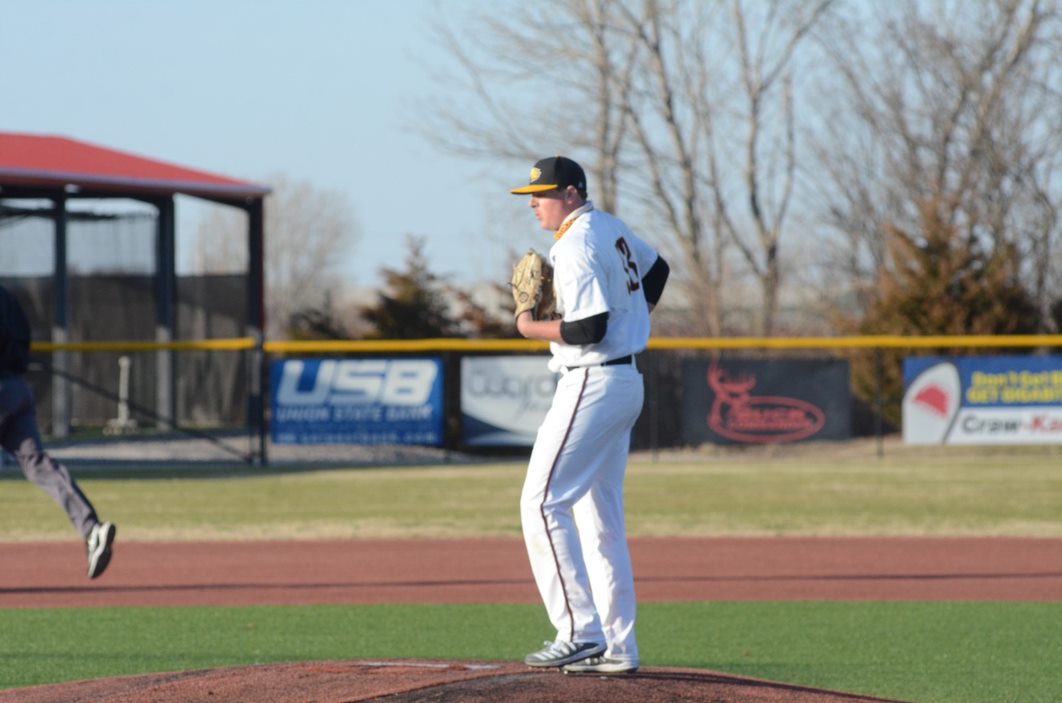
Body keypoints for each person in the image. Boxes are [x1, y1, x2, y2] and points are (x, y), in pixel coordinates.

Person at [510, 156, 669, 674]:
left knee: (540, 503)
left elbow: (590, 329)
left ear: (573, 193)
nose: (534, 203)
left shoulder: (575, 243)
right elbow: (658, 269)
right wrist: (634, 318)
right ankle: (619, 647)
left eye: (544, 194)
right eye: (532, 195)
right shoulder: (609, 226)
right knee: (600, 523)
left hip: (593, 381)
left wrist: (529, 326)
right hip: (625, 382)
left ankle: (578, 630)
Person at [0, 284, 116, 579]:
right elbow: (23, 339)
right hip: (16, 388)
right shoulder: (7, 297)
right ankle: (91, 530)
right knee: (38, 464)